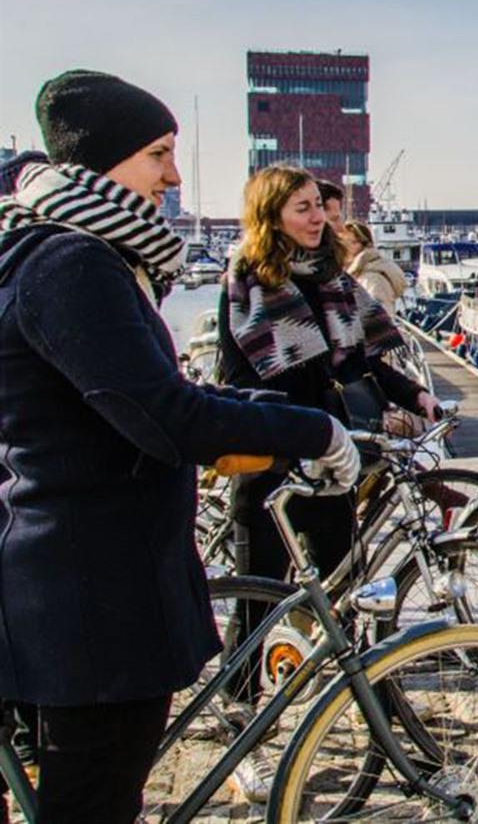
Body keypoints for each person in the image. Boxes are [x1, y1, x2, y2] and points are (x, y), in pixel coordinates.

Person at [0, 70, 358, 823]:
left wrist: (276, 416)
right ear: (103, 161)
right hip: (92, 595)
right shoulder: (74, 264)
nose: (174, 174)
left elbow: (150, 396)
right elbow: (163, 414)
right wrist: (312, 429)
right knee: (93, 802)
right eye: (158, 153)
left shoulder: (53, 252)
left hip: (60, 580)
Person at [216, 166, 441, 617]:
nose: (319, 217)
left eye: (319, 206)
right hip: (272, 460)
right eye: (303, 208)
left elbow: (362, 361)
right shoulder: (247, 283)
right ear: (271, 216)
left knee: (344, 590)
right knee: (256, 603)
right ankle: (242, 689)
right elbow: (238, 376)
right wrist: (292, 421)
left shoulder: (332, 279)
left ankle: (343, 682)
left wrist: (415, 395)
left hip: (331, 457)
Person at [342, 218, 408, 314]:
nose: (346, 247)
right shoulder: (359, 274)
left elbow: (381, 322)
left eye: (353, 242)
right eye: (343, 243)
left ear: (366, 244)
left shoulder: (373, 280)